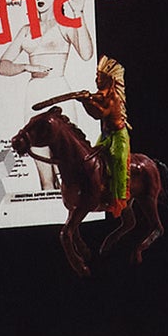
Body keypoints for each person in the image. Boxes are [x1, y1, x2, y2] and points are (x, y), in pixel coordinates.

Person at [40, 54, 133, 215]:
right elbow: (94, 110)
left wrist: (87, 101)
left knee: (118, 162)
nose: (97, 80)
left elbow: (100, 113)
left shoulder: (114, 98)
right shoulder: (100, 94)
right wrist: (86, 100)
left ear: (109, 80)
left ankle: (118, 197)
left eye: (100, 77)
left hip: (118, 136)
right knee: (93, 161)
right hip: (106, 135)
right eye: (97, 76)